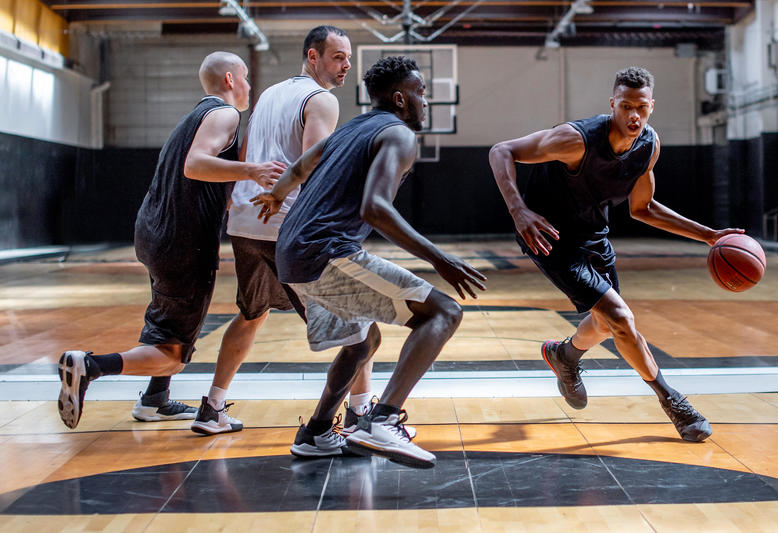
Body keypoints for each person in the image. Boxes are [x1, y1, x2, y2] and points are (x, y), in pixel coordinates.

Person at [251, 56, 487, 467]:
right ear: (400, 98)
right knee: (443, 313)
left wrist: (277, 194)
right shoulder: (398, 134)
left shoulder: (353, 128)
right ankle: (383, 420)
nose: (425, 101)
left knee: (363, 341)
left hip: (292, 252)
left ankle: (317, 433)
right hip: (324, 252)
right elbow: (375, 208)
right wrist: (441, 260)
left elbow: (302, 165)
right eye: (421, 92)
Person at [488, 66, 744, 442]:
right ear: (612, 104)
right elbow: (502, 151)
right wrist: (518, 210)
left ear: (651, 106)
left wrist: (710, 236)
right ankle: (672, 401)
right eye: (626, 106)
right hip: (550, 236)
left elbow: (644, 208)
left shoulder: (648, 147)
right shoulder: (576, 140)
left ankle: (565, 356)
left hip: (594, 236)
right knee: (621, 318)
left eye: (641, 107)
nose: (633, 115)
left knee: (606, 324)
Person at [57, 51, 286, 430]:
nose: (249, 86)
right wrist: (252, 170)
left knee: (168, 322)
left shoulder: (193, 116)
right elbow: (195, 165)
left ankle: (154, 400)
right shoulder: (225, 114)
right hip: (183, 241)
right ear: (230, 79)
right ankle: (91, 366)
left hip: (155, 231)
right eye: (245, 77)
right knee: (173, 352)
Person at [191, 26, 377, 437]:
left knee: (251, 314)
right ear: (313, 56)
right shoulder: (321, 99)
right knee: (355, 322)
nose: (346, 65)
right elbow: (315, 167)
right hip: (289, 226)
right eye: (337, 57)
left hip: (244, 222)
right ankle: (363, 416)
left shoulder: (268, 95)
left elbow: (246, 156)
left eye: (347, 58)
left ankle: (212, 407)